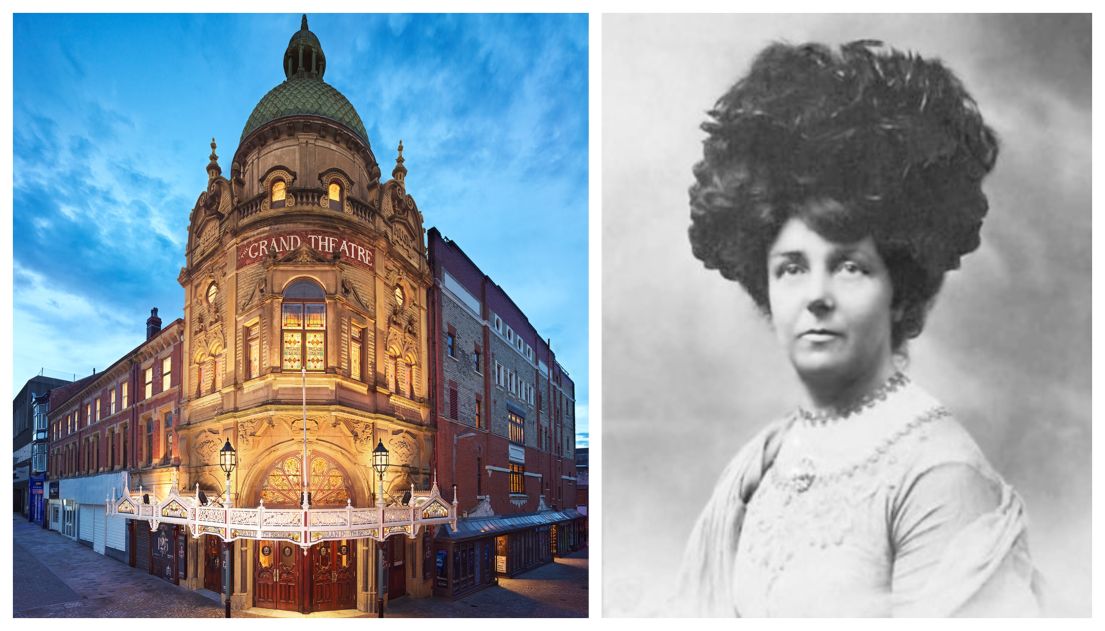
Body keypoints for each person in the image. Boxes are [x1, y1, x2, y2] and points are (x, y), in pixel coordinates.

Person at [677, 40, 1042, 617]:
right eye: (792, 267)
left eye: (850, 265)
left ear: (900, 289)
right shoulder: (762, 464)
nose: (817, 296)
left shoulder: (940, 477)